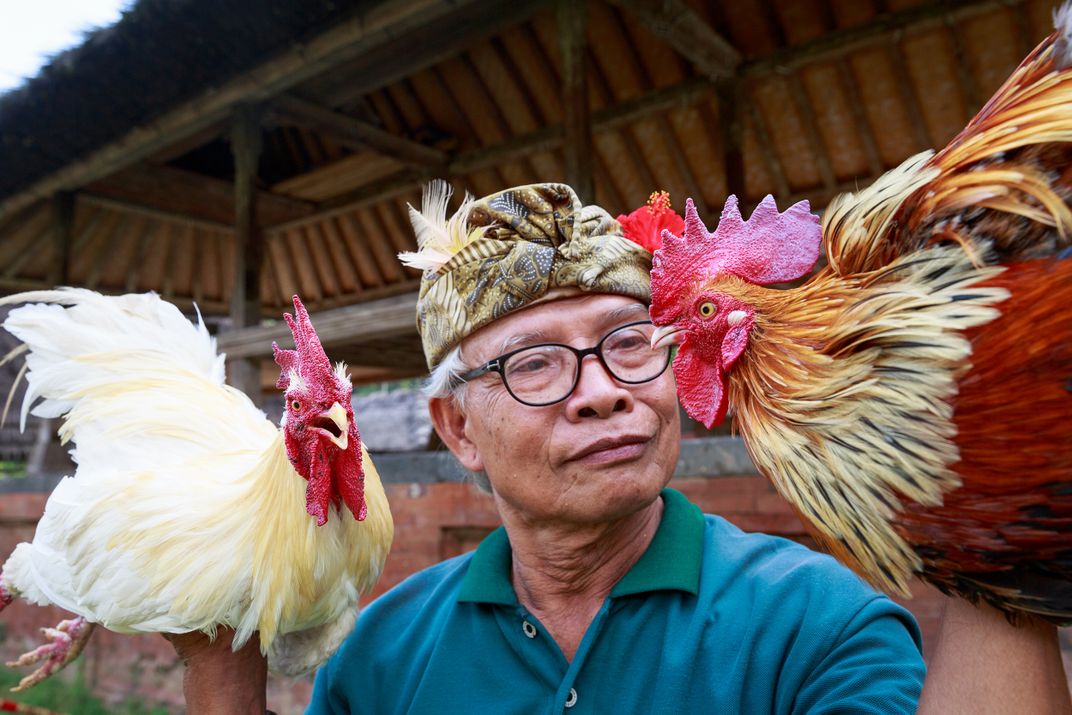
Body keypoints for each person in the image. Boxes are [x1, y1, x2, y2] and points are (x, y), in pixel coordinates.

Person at [171, 183, 1069, 714]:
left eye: (630, 342)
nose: (603, 389)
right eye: (534, 363)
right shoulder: (380, 654)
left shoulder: (820, 625)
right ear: (458, 430)